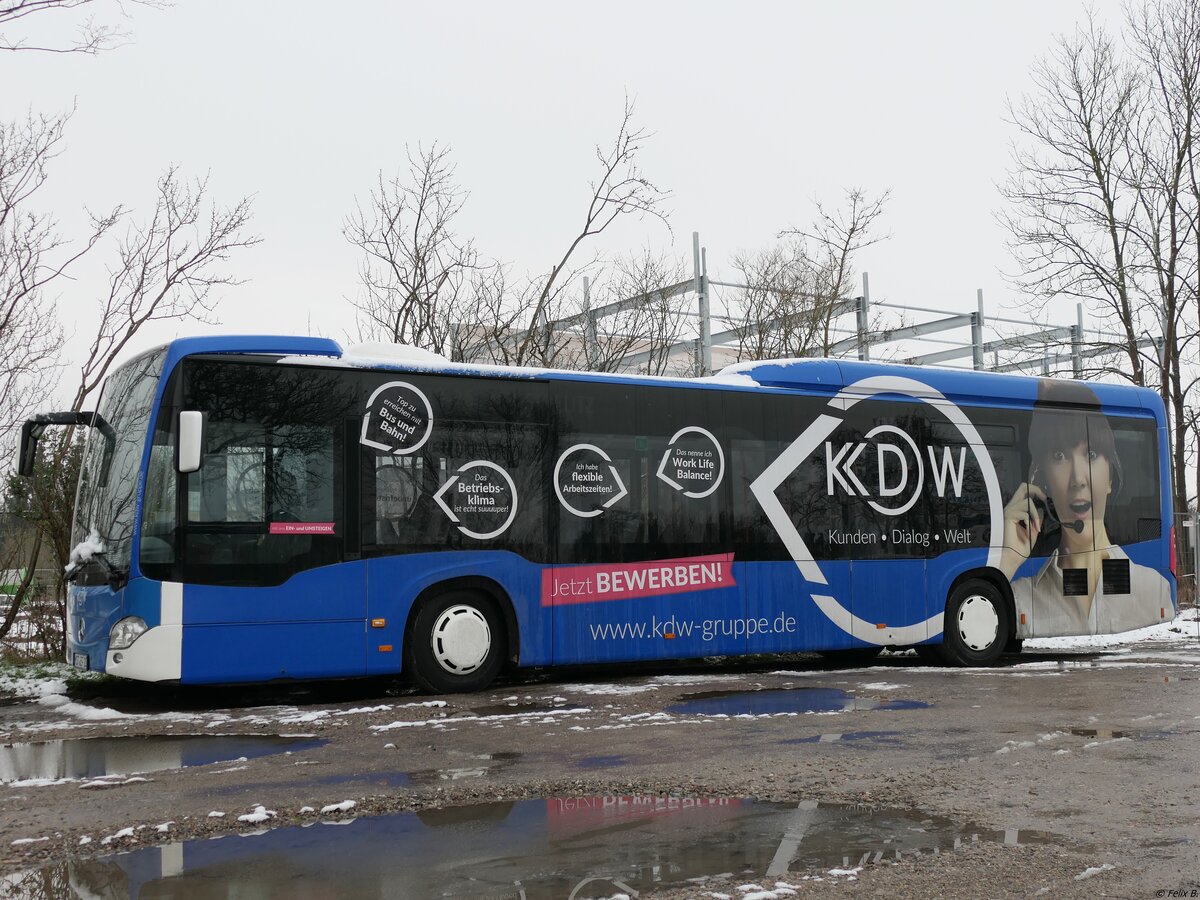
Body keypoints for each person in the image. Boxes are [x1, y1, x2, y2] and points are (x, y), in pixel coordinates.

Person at [997, 379, 1166, 636]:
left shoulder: (1155, 591)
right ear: (1042, 482)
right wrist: (1006, 561)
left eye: (1091, 455)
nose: (1078, 479)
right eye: (1059, 456)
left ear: (1111, 477)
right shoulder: (1020, 596)